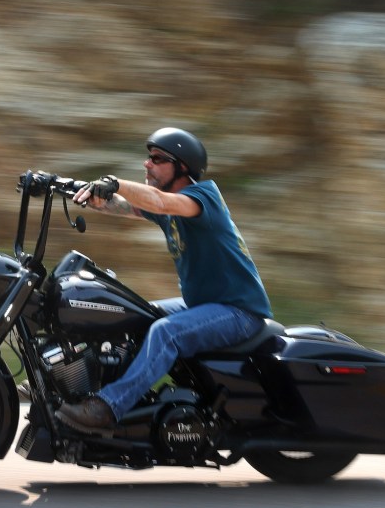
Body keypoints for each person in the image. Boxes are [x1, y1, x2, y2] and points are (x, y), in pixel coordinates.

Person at [55, 127, 273, 433]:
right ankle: (66, 382)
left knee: (165, 332)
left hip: (238, 311)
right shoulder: (170, 206)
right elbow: (126, 206)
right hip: (203, 305)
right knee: (131, 315)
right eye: (148, 158)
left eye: (157, 159)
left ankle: (108, 407)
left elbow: (157, 201)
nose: (147, 164)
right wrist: (69, 187)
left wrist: (115, 182)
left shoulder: (202, 198)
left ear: (182, 167)